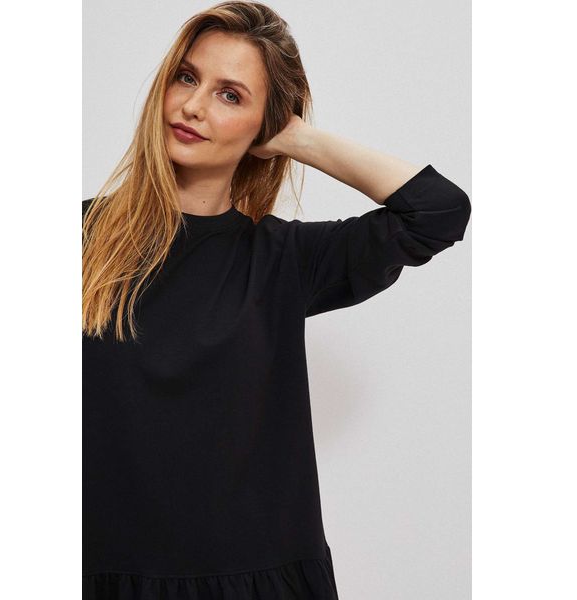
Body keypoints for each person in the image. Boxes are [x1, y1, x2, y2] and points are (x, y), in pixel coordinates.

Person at [82, 1, 471, 598]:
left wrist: (297, 138)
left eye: (230, 95)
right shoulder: (80, 237)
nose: (193, 106)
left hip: (259, 581)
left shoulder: (286, 260)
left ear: (264, 125)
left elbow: (437, 211)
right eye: (186, 77)